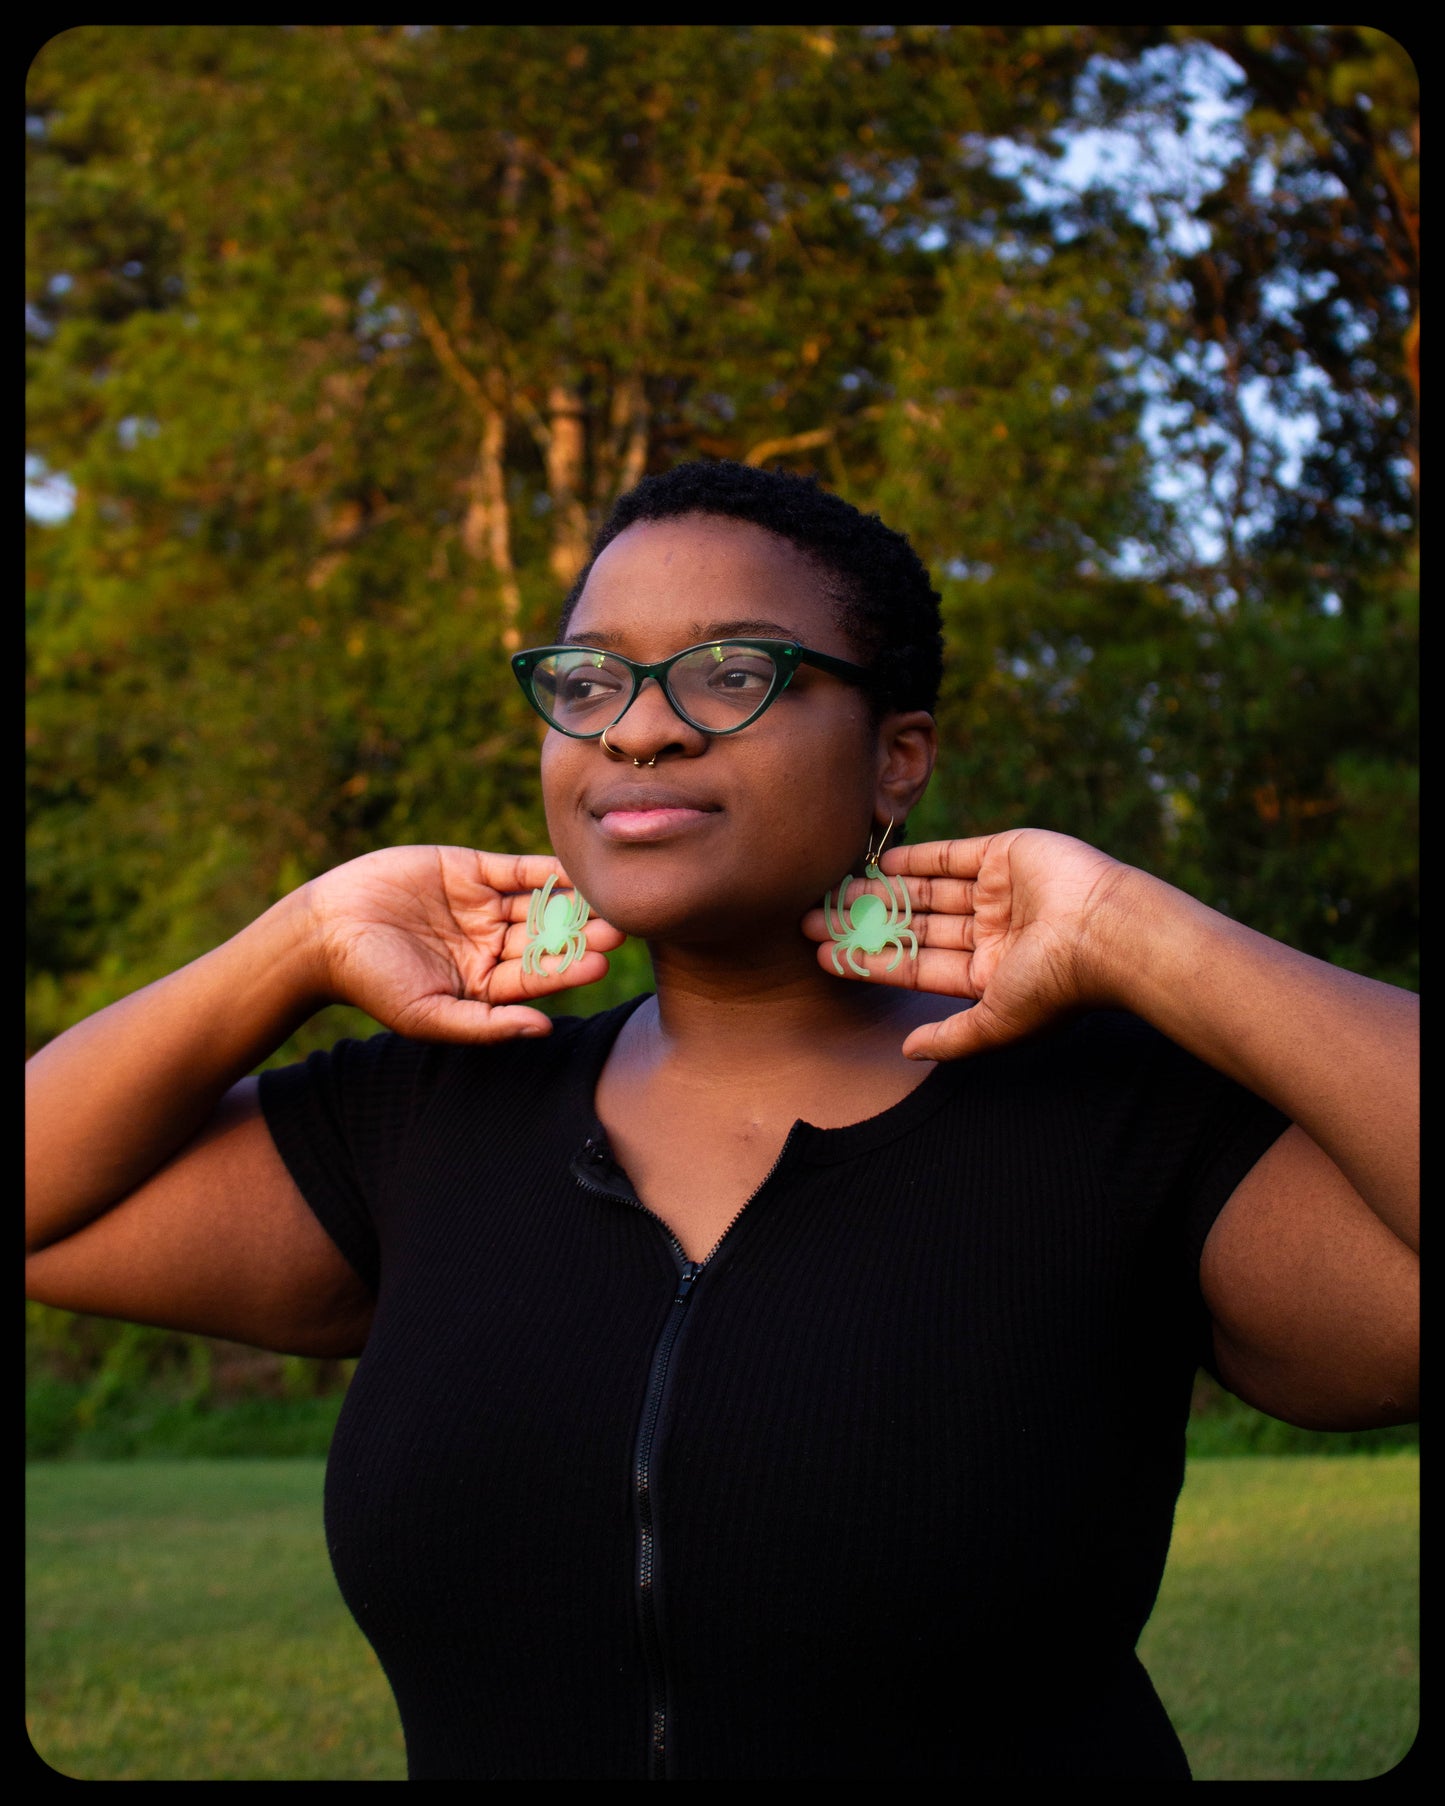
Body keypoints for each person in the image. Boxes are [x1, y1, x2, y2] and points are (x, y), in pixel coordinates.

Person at [25, 461, 1418, 1780]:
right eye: (588, 678)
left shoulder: (1111, 1117)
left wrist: (1145, 938)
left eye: (732, 672)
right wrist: (301, 939)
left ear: (897, 756)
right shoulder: (429, 1114)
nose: (640, 722)